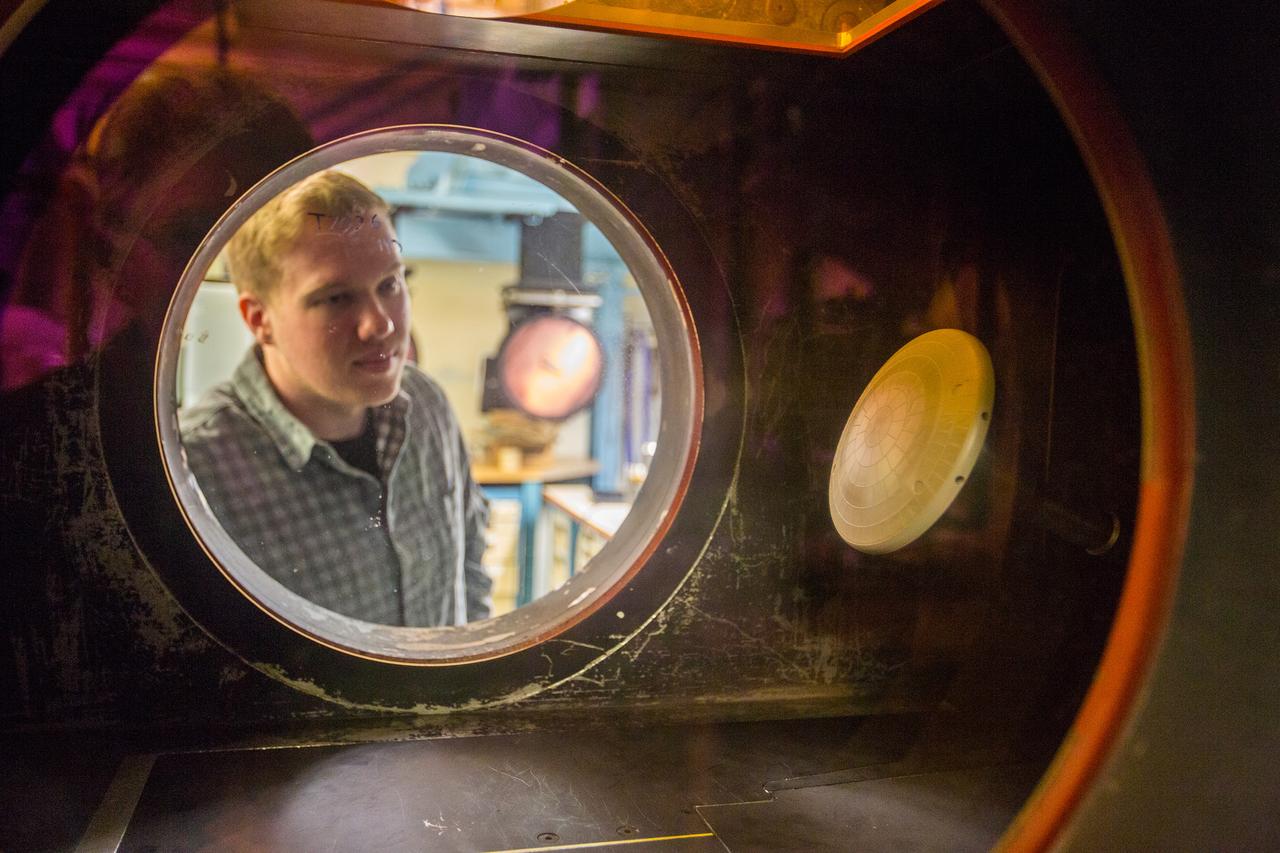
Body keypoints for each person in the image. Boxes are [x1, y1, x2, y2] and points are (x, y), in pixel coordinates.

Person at [179, 170, 492, 627]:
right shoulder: (198, 467)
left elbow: (471, 567)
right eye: (337, 299)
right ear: (259, 318)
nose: (380, 325)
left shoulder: (426, 403)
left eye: (390, 285)